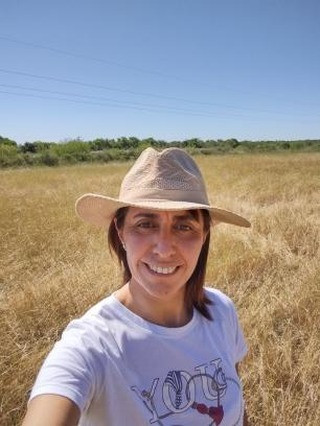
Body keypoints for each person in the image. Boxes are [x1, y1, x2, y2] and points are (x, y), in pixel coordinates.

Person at [22, 147, 251, 426]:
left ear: (204, 234)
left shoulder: (221, 311)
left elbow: (236, 409)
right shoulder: (92, 345)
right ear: (120, 232)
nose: (165, 249)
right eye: (145, 224)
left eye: (184, 226)